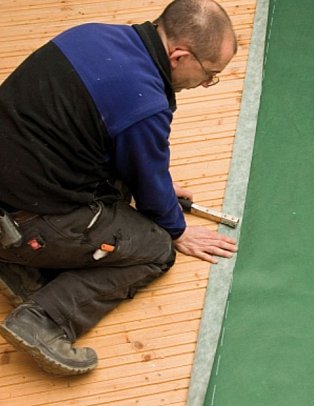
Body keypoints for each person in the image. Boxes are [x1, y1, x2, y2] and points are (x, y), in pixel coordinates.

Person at [0, 0, 238, 376]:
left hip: (12, 188)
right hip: (24, 221)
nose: (207, 83)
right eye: (210, 74)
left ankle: (18, 267)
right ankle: (44, 319)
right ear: (179, 56)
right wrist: (176, 230)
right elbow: (151, 189)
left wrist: (155, 183)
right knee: (155, 249)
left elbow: (117, 146)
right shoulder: (145, 103)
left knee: (124, 190)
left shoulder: (92, 34)